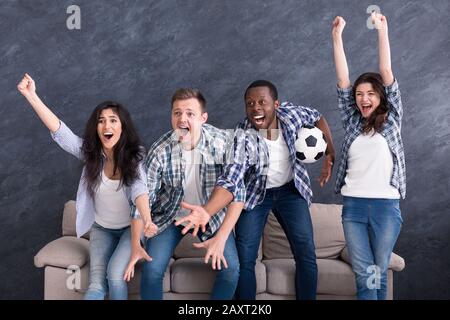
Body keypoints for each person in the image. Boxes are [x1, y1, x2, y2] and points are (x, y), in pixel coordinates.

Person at [176, 79, 336, 300]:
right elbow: (232, 178)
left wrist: (330, 154)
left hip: (290, 191)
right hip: (255, 196)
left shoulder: (292, 116)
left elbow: (317, 116)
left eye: (262, 102)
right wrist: (207, 210)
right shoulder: (243, 135)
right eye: (250, 103)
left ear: (276, 105)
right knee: (245, 259)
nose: (256, 108)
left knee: (306, 252)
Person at [17, 74, 157, 300]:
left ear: (122, 127)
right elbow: (62, 135)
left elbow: (140, 189)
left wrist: (148, 219)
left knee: (114, 275)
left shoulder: (135, 156)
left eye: (113, 120)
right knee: (95, 286)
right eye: (101, 121)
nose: (106, 125)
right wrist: (31, 96)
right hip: (101, 229)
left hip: (130, 230)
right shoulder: (92, 154)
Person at [123, 88, 244, 300]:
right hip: (171, 217)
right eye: (177, 113)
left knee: (231, 270)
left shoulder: (222, 143)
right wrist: (137, 240)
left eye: (190, 113)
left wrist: (222, 237)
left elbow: (238, 192)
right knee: (151, 271)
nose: (182, 119)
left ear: (203, 118)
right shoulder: (160, 150)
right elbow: (142, 196)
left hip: (212, 217)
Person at [331, 13, 405, 300]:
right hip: (354, 208)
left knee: (378, 270)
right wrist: (336, 38)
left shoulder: (392, 120)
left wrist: (382, 31)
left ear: (381, 98)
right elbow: (342, 80)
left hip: (386, 209)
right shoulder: (352, 123)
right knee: (365, 275)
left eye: (370, 93)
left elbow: (386, 71)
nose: (363, 98)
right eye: (359, 94)